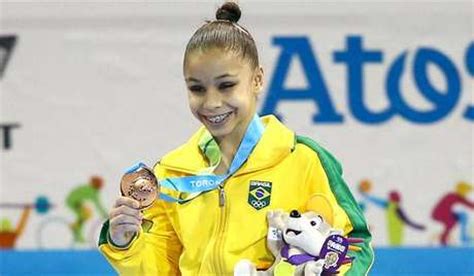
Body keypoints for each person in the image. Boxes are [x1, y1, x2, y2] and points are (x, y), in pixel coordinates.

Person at [99, 2, 373, 275]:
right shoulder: (170, 173)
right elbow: (161, 267)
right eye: (197, 88)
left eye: (226, 85)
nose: (212, 102)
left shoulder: (302, 159)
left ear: (257, 79)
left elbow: (353, 246)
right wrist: (125, 243)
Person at [66, 176, 108, 243]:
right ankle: (75, 228)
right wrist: (105, 214)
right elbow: (98, 205)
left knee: (86, 214)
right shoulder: (92, 191)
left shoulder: (90, 189)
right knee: (84, 215)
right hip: (73, 201)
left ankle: (76, 228)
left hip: (76, 200)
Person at [431, 181, 474, 246]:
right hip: (438, 214)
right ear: (462, 191)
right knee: (451, 222)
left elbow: (469, 204)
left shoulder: (457, 196)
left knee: (463, 216)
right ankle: (443, 239)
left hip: (446, 213)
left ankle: (464, 237)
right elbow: (468, 204)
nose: (466, 194)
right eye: (466, 192)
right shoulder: (453, 196)